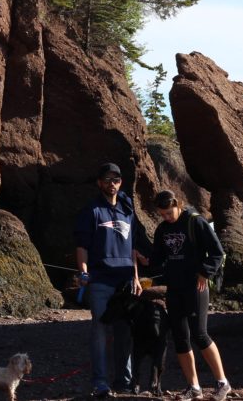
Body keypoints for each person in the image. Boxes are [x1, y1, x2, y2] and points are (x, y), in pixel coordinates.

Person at [149, 190, 231, 401]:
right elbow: (157, 259)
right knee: (180, 338)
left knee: (200, 334)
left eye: (169, 213)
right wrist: (143, 260)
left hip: (197, 287)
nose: (166, 217)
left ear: (178, 205)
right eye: (162, 214)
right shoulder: (162, 229)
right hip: (174, 288)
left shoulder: (195, 222)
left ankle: (223, 383)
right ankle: (193, 387)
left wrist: (205, 272)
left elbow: (217, 252)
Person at [74, 162, 146, 398]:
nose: (111, 184)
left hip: (125, 282)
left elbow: (133, 247)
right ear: (99, 183)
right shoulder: (92, 210)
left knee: (124, 330)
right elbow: (82, 245)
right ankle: (100, 382)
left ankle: (123, 381)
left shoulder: (127, 211)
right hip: (101, 280)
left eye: (115, 180)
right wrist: (83, 271)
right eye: (107, 180)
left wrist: (136, 278)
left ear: (121, 183)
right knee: (100, 329)